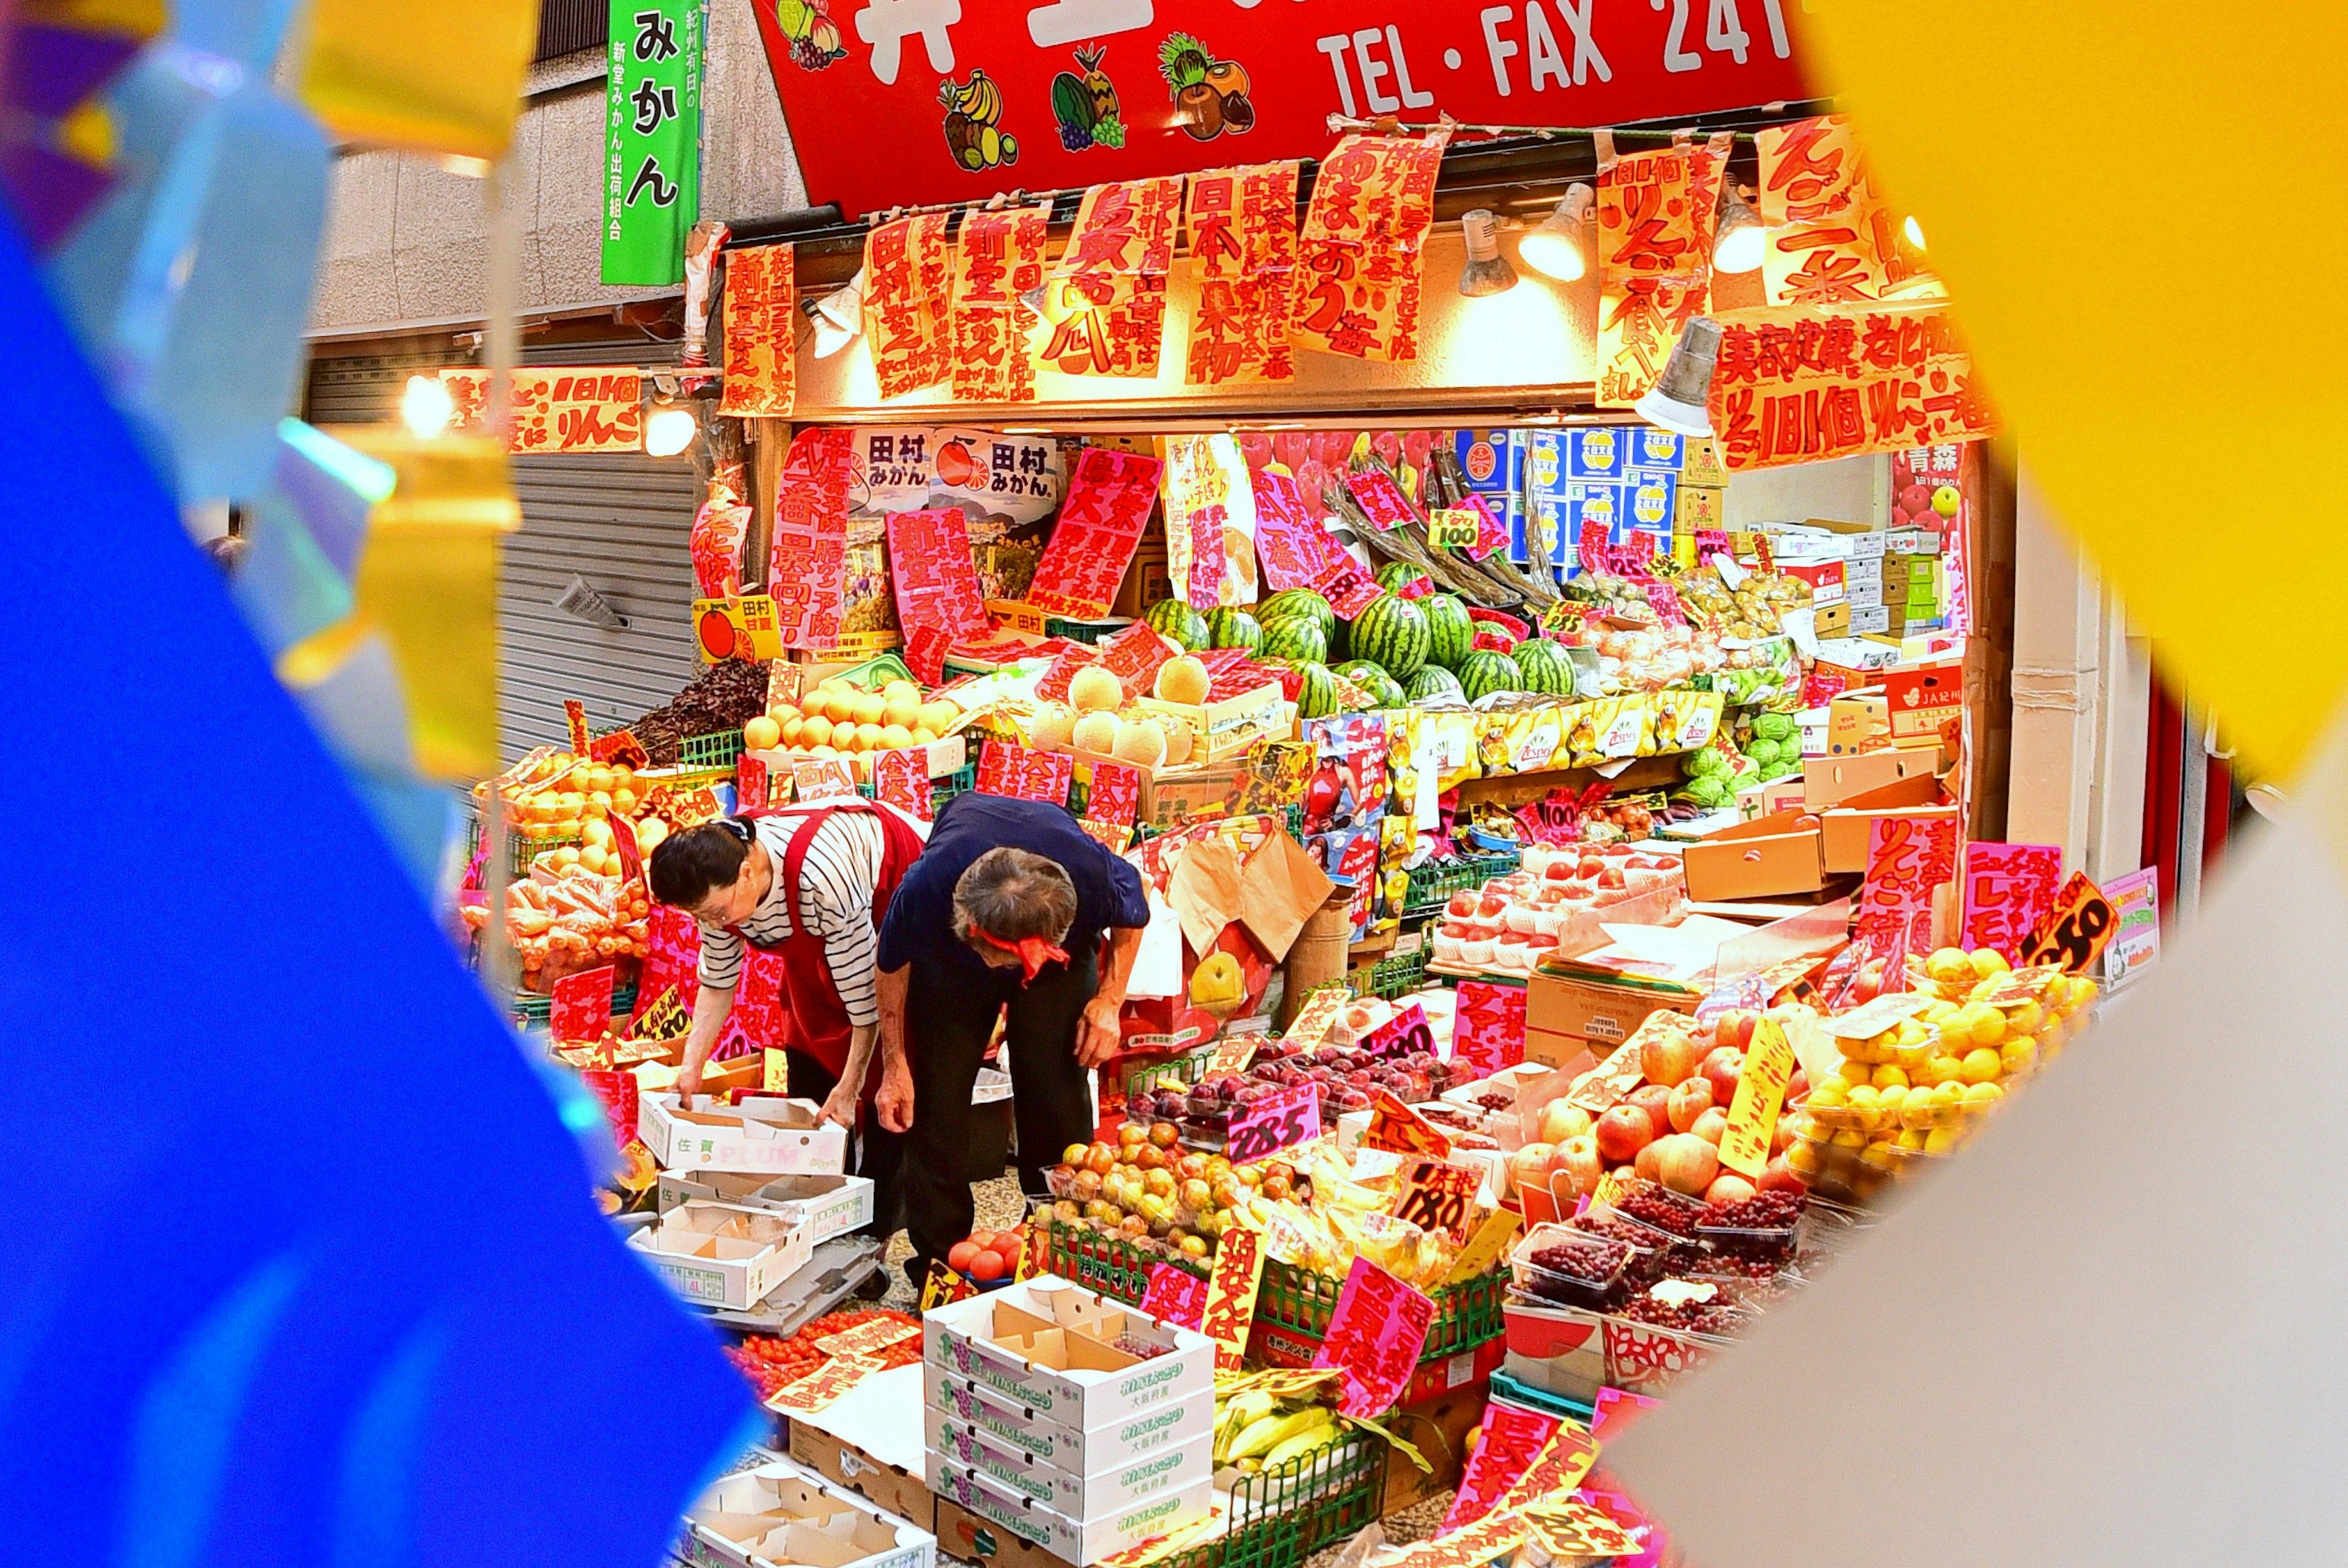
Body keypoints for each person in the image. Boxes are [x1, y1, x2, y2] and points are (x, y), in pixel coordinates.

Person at [875, 792, 1149, 1287]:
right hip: (951, 965)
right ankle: (940, 1269)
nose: (1006, 975)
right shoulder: (927, 886)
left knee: (1057, 1087)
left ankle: (1058, 1248)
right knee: (934, 1096)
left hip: (1055, 966)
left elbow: (1136, 910)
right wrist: (895, 1064)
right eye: (999, 962)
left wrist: (1109, 1000)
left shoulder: (1088, 874)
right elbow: (891, 965)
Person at [648, 798, 927, 1259]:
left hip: (887, 924)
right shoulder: (714, 885)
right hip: (817, 953)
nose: (715, 924)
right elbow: (718, 980)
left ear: (745, 873)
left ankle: (870, 1238)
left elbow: (867, 1002)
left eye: (718, 913)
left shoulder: (823, 876)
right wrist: (691, 1068)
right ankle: (818, 1216)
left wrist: (852, 1082)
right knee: (810, 1069)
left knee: (884, 1086)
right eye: (703, 917)